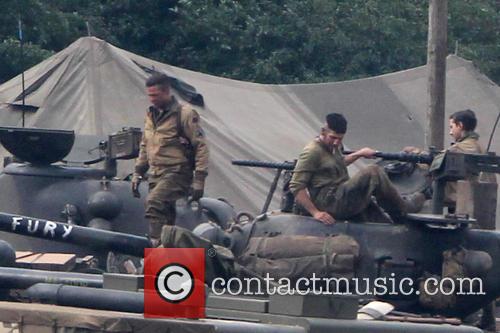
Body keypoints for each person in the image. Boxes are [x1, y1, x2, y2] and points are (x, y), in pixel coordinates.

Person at [289, 113, 425, 225]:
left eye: (340, 139)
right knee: (373, 171)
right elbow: (296, 186)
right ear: (323, 132)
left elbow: (338, 164)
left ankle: (402, 215)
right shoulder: (312, 152)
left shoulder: (335, 147)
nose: (336, 142)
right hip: (328, 201)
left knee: (383, 223)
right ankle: (404, 207)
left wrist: (359, 154)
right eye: (333, 138)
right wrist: (315, 213)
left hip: (342, 194)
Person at [132, 73, 209, 244]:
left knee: (154, 203)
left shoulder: (184, 114)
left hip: (177, 172)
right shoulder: (150, 115)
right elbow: (146, 144)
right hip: (156, 172)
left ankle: (156, 245)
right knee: (165, 215)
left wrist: (199, 180)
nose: (151, 99)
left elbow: (201, 146)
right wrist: (138, 171)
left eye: (155, 95)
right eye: (149, 95)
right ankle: (169, 250)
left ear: (166, 92)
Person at [404, 109, 495, 206]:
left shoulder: (459, 148)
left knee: (423, 180)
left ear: (460, 125)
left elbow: (436, 162)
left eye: (452, 127)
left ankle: (406, 205)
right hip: (478, 195)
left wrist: (416, 153)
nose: (450, 132)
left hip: (458, 194)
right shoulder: (480, 147)